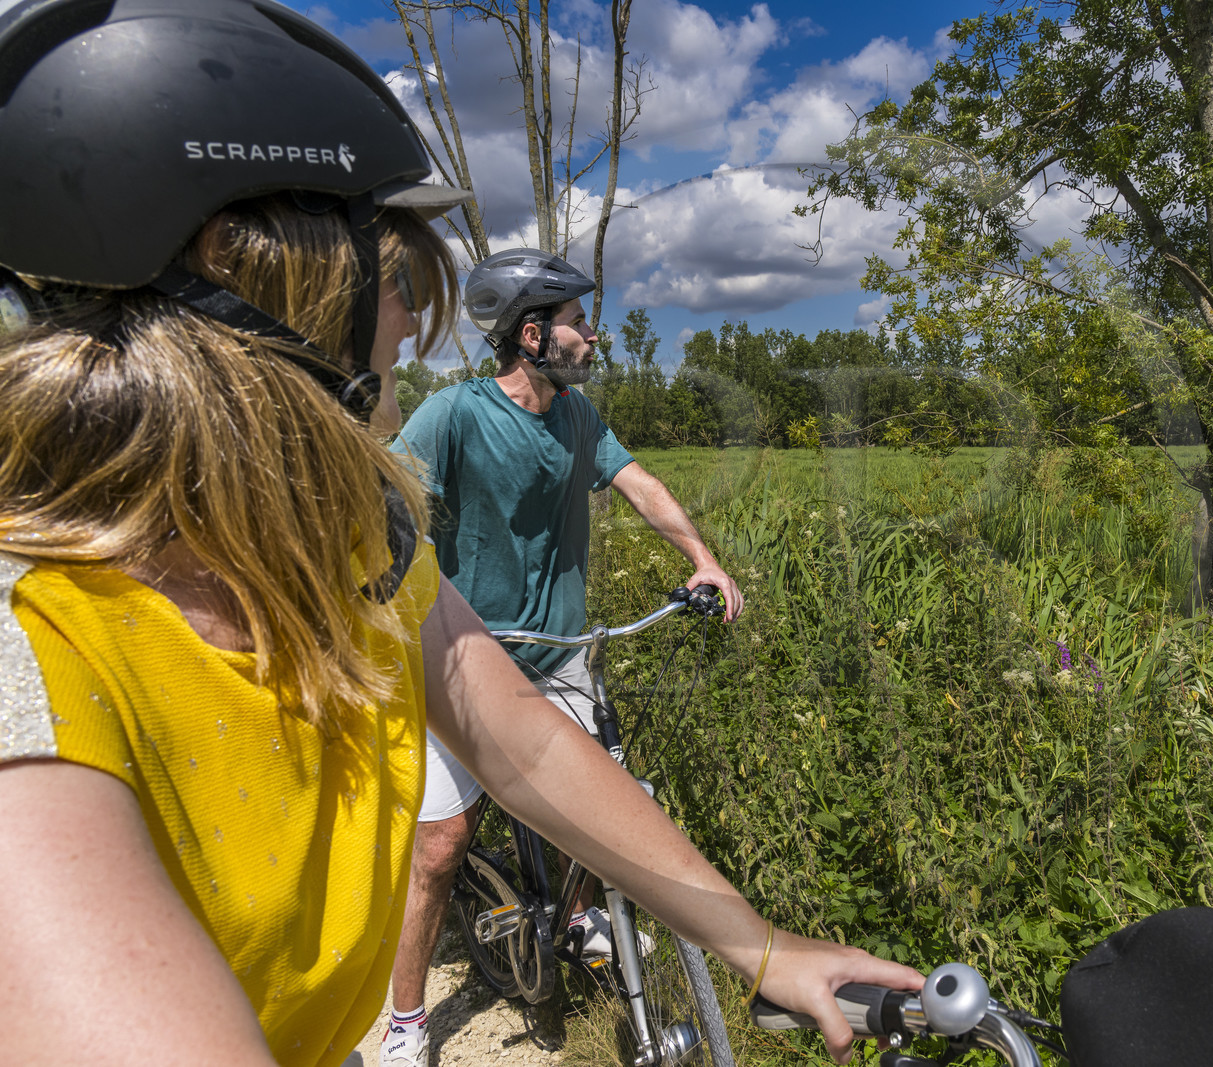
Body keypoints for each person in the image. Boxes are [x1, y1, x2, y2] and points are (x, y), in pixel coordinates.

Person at [0, 4, 923, 1067]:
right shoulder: (38, 645)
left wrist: (754, 941)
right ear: (251, 275)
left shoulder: (357, 545)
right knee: (438, 842)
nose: (410, 324)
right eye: (393, 283)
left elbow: (520, 736)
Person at [382, 247, 745, 1063]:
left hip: (563, 656)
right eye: (581, 321)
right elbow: (386, 504)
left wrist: (704, 556)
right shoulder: (456, 415)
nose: (595, 334)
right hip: (465, 667)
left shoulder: (578, 419)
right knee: (439, 847)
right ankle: (406, 1022)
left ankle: (578, 916)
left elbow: (640, 482)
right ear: (535, 334)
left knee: (601, 812)